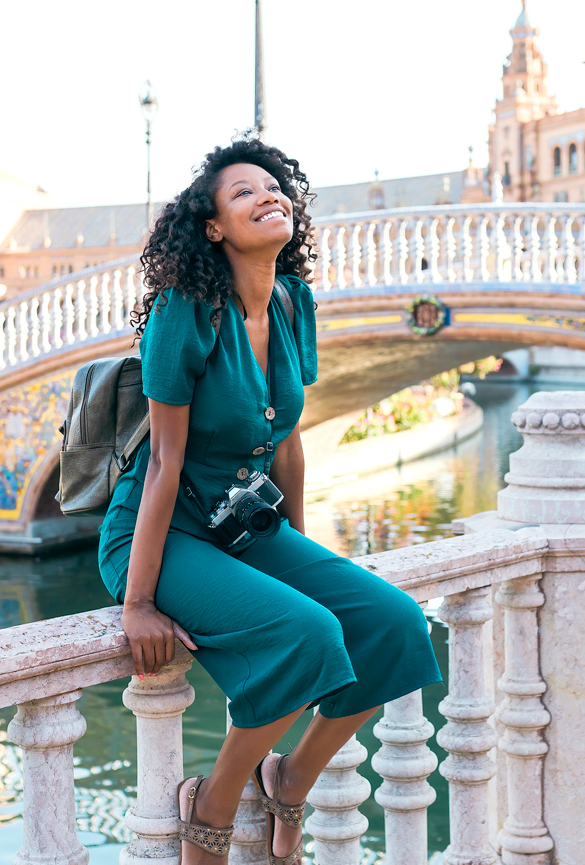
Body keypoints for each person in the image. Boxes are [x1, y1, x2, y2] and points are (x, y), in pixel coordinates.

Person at [97, 139, 441, 865]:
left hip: (246, 527)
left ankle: (288, 778)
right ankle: (209, 810)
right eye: (243, 192)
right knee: (310, 634)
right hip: (161, 532)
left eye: (274, 186)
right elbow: (162, 461)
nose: (267, 195)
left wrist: (301, 548)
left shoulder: (291, 302)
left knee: (396, 625)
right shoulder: (182, 310)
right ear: (214, 228)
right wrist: (136, 601)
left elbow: (288, 440)